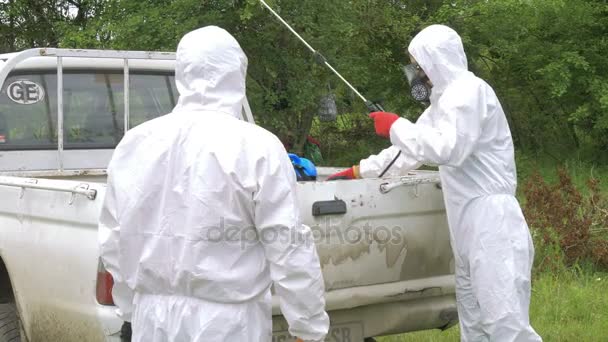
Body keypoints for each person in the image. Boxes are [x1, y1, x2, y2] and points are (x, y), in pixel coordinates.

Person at [99, 26, 329, 342]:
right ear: (237, 74)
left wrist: (129, 309)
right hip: (228, 325)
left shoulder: (135, 144)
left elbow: (115, 240)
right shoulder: (257, 146)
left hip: (151, 320)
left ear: (182, 72)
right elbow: (288, 245)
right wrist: (308, 327)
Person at [327, 25, 542, 341]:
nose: (415, 75)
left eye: (418, 66)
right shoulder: (442, 104)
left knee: (505, 323)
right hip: (467, 224)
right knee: (475, 324)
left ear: (435, 61)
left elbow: (449, 150)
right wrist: (359, 171)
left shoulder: (471, 92)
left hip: (492, 223)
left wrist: (396, 124)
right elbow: (407, 152)